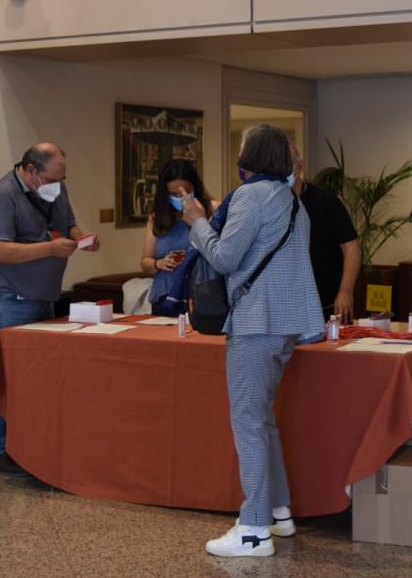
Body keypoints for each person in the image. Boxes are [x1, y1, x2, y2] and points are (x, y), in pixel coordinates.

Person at [182, 124, 323, 558]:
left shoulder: (250, 196)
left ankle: (254, 529)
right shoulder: (292, 202)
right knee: (261, 419)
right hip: (286, 323)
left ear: (252, 154)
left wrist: (197, 222)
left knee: (248, 422)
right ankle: (277, 512)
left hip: (255, 323)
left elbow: (224, 258)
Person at [0, 143, 99, 477]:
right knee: (4, 374)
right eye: (51, 179)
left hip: (44, 296)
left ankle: (31, 445)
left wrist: (82, 238)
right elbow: (0, 251)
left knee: (36, 375)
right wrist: (49, 248)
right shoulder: (2, 196)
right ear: (30, 170)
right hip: (8, 298)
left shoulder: (53, 189)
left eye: (62, 179)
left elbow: (68, 223)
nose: (57, 186)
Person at [291, 146, 360, 323]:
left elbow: (351, 246)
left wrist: (345, 291)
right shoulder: (270, 203)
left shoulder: (325, 201)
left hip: (326, 299)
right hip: (287, 302)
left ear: (299, 167)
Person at [140, 160, 216, 313]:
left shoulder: (212, 209)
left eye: (186, 191)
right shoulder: (157, 218)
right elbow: (145, 262)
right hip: (165, 294)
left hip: (201, 293)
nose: (181, 197)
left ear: (194, 187)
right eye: (174, 194)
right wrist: (159, 264)